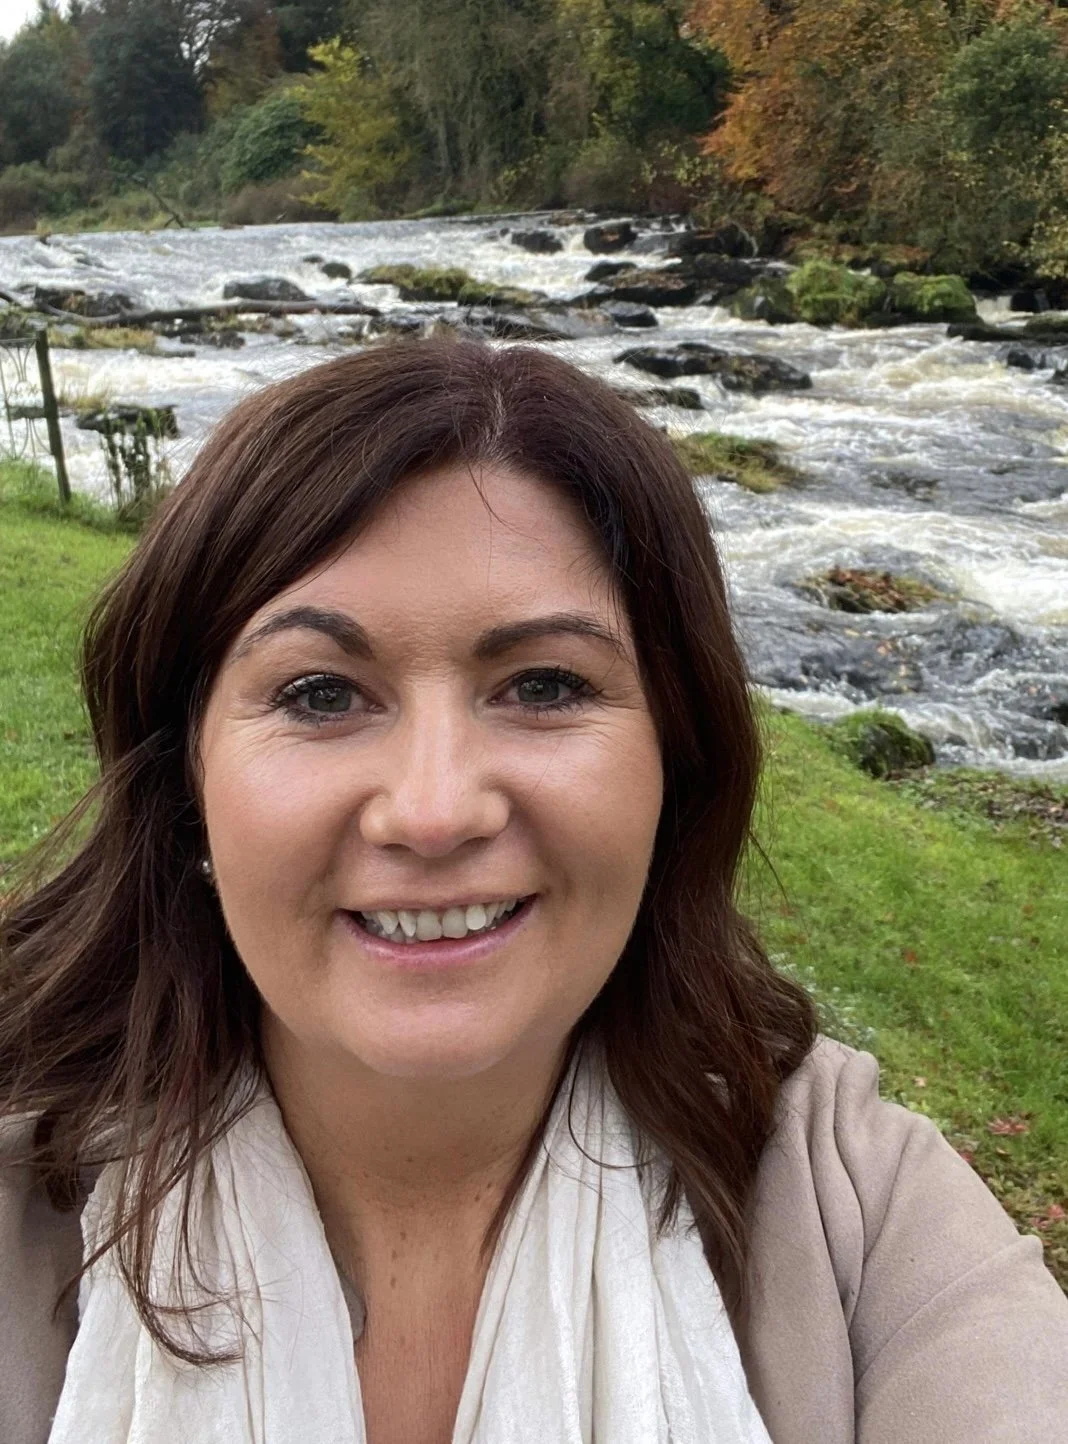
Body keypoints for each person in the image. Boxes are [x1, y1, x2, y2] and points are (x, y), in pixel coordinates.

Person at [1, 339, 1065, 1444]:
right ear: (188, 774)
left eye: (545, 684)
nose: (432, 810)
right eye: (321, 694)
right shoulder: (20, 1195)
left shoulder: (862, 1215)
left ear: (677, 756)